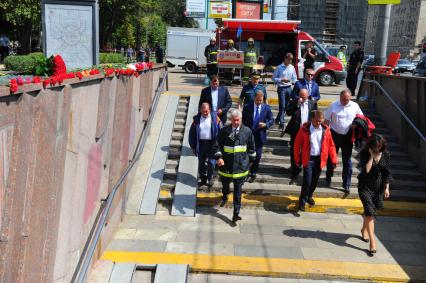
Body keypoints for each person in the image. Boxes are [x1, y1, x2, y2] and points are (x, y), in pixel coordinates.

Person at [213, 109, 256, 224]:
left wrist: (250, 165)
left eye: (238, 120)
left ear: (241, 119)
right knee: (225, 184)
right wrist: (219, 158)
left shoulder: (247, 132)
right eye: (234, 120)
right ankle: (225, 194)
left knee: (238, 192)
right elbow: (216, 146)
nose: (236, 122)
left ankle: (235, 214)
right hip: (226, 167)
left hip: (240, 169)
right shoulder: (224, 131)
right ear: (230, 120)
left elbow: (252, 150)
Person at [294, 110, 337, 211]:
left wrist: (334, 160)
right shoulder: (304, 130)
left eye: (320, 121)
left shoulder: (326, 130)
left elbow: (331, 145)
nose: (319, 123)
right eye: (317, 121)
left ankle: (309, 196)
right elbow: (296, 145)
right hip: (308, 159)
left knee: (314, 181)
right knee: (307, 181)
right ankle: (302, 201)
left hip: (320, 159)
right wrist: (297, 159)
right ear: (312, 119)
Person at [357, 134, 391, 256]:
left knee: (369, 212)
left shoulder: (386, 155)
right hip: (365, 187)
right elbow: (366, 170)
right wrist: (371, 156)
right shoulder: (364, 153)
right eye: (375, 146)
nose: (377, 149)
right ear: (371, 145)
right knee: (370, 213)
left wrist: (386, 188)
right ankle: (373, 242)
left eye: (379, 146)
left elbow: (387, 173)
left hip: (378, 189)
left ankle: (363, 229)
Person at [325, 89, 363, 193]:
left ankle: (346, 184)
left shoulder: (355, 106)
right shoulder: (333, 105)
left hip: (348, 136)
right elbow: (327, 120)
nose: (346, 101)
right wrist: (325, 134)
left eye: (347, 99)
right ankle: (328, 176)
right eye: (344, 99)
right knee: (331, 158)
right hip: (334, 135)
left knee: (347, 161)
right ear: (340, 97)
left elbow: (361, 118)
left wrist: (356, 124)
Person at [285, 88, 318, 183]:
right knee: (294, 151)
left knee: (306, 151)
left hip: (307, 132)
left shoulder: (312, 103)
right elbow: (288, 112)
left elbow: (315, 116)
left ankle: (304, 168)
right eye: (301, 96)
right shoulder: (294, 102)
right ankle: (294, 171)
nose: (302, 98)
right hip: (296, 131)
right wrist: (297, 104)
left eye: (304, 96)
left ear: (308, 96)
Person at [242, 91, 274, 182]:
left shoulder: (266, 108)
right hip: (249, 135)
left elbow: (272, 120)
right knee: (247, 155)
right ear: (254, 98)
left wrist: (265, 124)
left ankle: (253, 172)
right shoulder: (248, 107)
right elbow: (243, 119)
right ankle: (246, 172)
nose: (259, 102)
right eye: (257, 100)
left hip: (260, 135)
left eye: (261, 101)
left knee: (258, 156)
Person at [189, 103, 222, 187]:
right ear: (200, 110)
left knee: (211, 162)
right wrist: (192, 146)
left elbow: (221, 131)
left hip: (212, 144)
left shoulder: (215, 118)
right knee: (201, 162)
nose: (205, 113)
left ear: (209, 110)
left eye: (206, 111)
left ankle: (210, 177)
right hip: (201, 144)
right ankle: (203, 178)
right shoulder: (196, 120)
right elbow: (192, 134)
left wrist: (220, 144)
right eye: (203, 111)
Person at [272, 53, 297, 131]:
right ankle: (282, 123)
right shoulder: (279, 67)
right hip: (281, 88)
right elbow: (273, 78)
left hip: (289, 88)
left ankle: (277, 119)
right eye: (288, 60)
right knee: (282, 106)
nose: (289, 61)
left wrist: (295, 82)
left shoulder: (292, 67)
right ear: (285, 59)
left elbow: (294, 78)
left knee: (286, 106)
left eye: (291, 60)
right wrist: (281, 79)